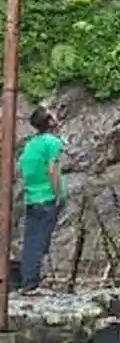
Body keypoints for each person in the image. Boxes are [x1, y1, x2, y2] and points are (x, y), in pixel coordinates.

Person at [17, 106, 64, 295]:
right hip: (46, 198)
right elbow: (53, 169)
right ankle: (31, 285)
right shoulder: (52, 142)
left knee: (31, 241)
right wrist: (58, 193)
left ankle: (29, 281)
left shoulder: (31, 144)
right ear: (51, 122)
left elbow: (24, 169)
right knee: (40, 242)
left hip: (32, 197)